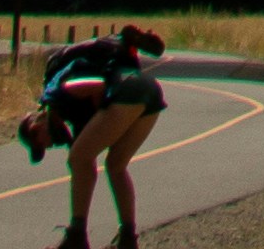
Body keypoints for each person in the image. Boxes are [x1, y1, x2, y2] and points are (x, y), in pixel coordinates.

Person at [36, 23, 170, 249]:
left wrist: (105, 110)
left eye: (37, 138)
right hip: (149, 91)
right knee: (116, 165)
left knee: (78, 158)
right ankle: (127, 238)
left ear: (39, 117)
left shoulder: (56, 91)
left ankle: (77, 236)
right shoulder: (74, 105)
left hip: (128, 90)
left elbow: (98, 87)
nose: (50, 143)